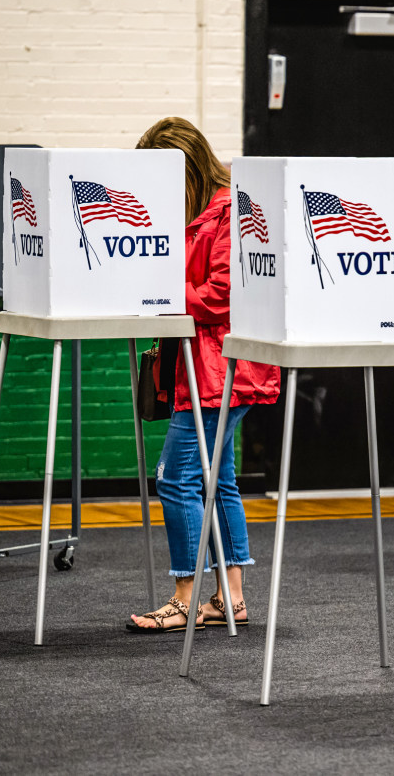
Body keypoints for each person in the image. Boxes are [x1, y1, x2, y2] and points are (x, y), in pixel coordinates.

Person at [128, 117, 280, 633]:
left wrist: (159, 296)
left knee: (176, 478)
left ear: (186, 167)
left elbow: (221, 295)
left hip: (219, 371)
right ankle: (230, 599)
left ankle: (186, 598)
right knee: (222, 481)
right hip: (211, 368)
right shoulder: (203, 211)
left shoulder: (227, 214)